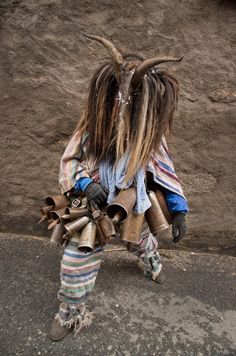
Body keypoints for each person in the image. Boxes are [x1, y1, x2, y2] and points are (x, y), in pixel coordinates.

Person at [49, 35, 188, 341]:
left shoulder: (150, 134)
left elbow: (165, 170)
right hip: (92, 207)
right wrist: (85, 183)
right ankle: (70, 312)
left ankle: (152, 262)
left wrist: (179, 211)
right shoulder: (92, 126)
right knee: (76, 259)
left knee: (139, 241)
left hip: (131, 201)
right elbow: (70, 159)